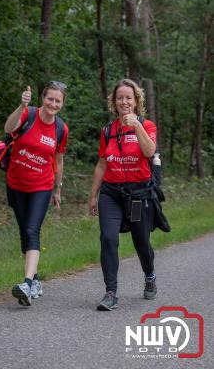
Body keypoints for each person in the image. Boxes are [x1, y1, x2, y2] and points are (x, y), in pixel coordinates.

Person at [89, 78, 159, 311]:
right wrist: (93, 196)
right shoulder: (108, 130)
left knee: (141, 242)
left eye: (129, 97)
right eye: (120, 98)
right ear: (114, 102)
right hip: (111, 193)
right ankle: (111, 292)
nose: (124, 102)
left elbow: (149, 151)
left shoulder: (147, 125)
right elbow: (101, 164)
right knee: (108, 238)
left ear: (136, 100)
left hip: (139, 193)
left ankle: (149, 275)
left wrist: (136, 126)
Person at [4, 81, 68, 306]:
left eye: (57, 100)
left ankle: (27, 283)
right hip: (15, 183)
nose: (53, 103)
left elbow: (58, 160)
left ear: (62, 103)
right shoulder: (28, 115)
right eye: (50, 99)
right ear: (43, 98)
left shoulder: (61, 128)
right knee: (24, 231)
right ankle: (36, 280)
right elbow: (8, 128)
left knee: (32, 229)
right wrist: (21, 107)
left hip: (42, 186)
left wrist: (57, 189)